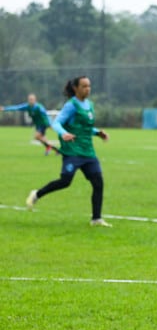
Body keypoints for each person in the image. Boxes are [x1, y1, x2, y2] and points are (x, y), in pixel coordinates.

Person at [25, 76, 112, 227]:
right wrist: (63, 133)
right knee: (65, 181)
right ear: (76, 88)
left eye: (89, 86)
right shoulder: (71, 105)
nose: (88, 89)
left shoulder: (89, 105)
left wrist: (98, 132)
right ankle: (36, 194)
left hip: (88, 152)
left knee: (98, 183)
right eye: (84, 86)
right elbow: (56, 123)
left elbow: (85, 127)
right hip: (73, 151)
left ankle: (96, 219)